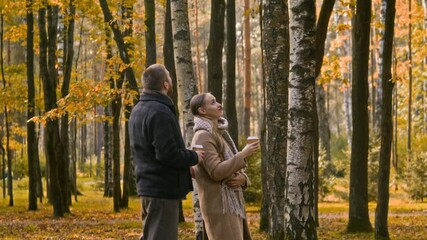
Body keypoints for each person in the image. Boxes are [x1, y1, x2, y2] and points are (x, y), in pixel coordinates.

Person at [129, 64, 205, 240]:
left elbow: (151, 152)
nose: (171, 80)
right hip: (161, 191)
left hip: (149, 188)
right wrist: (194, 157)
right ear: (165, 84)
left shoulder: (138, 109)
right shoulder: (159, 112)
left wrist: (185, 170)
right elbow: (166, 153)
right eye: (169, 77)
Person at [190, 93, 259, 240]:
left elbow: (231, 168)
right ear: (202, 110)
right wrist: (243, 155)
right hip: (220, 207)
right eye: (213, 102)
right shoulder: (203, 136)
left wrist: (243, 179)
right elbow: (216, 171)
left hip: (230, 205)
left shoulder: (218, 133)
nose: (219, 104)